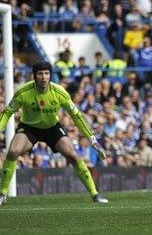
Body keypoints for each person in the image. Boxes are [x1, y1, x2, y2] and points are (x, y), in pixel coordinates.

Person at [0, 62, 108, 205]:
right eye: (40, 74)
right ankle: (2, 194)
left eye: (46, 73)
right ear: (34, 76)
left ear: (51, 75)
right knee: (13, 151)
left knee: (73, 155)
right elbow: (8, 112)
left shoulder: (60, 93)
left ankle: (95, 194)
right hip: (29, 128)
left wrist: (92, 140)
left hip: (52, 128)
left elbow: (77, 116)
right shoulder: (23, 92)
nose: (44, 77)